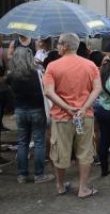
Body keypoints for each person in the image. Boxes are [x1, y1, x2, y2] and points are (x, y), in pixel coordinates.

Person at [43, 33, 102, 197]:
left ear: (65, 45)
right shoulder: (90, 65)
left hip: (61, 117)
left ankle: (60, 186)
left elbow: (49, 92)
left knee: (60, 151)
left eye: (59, 44)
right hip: (85, 116)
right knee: (85, 151)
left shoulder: (52, 66)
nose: (57, 47)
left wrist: (67, 108)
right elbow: (97, 89)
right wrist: (83, 108)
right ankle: (83, 188)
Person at [6, 48, 54, 184]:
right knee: (39, 142)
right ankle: (39, 175)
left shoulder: (11, 76)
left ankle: (22, 175)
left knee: (22, 143)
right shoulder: (37, 73)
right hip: (38, 110)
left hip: (20, 111)